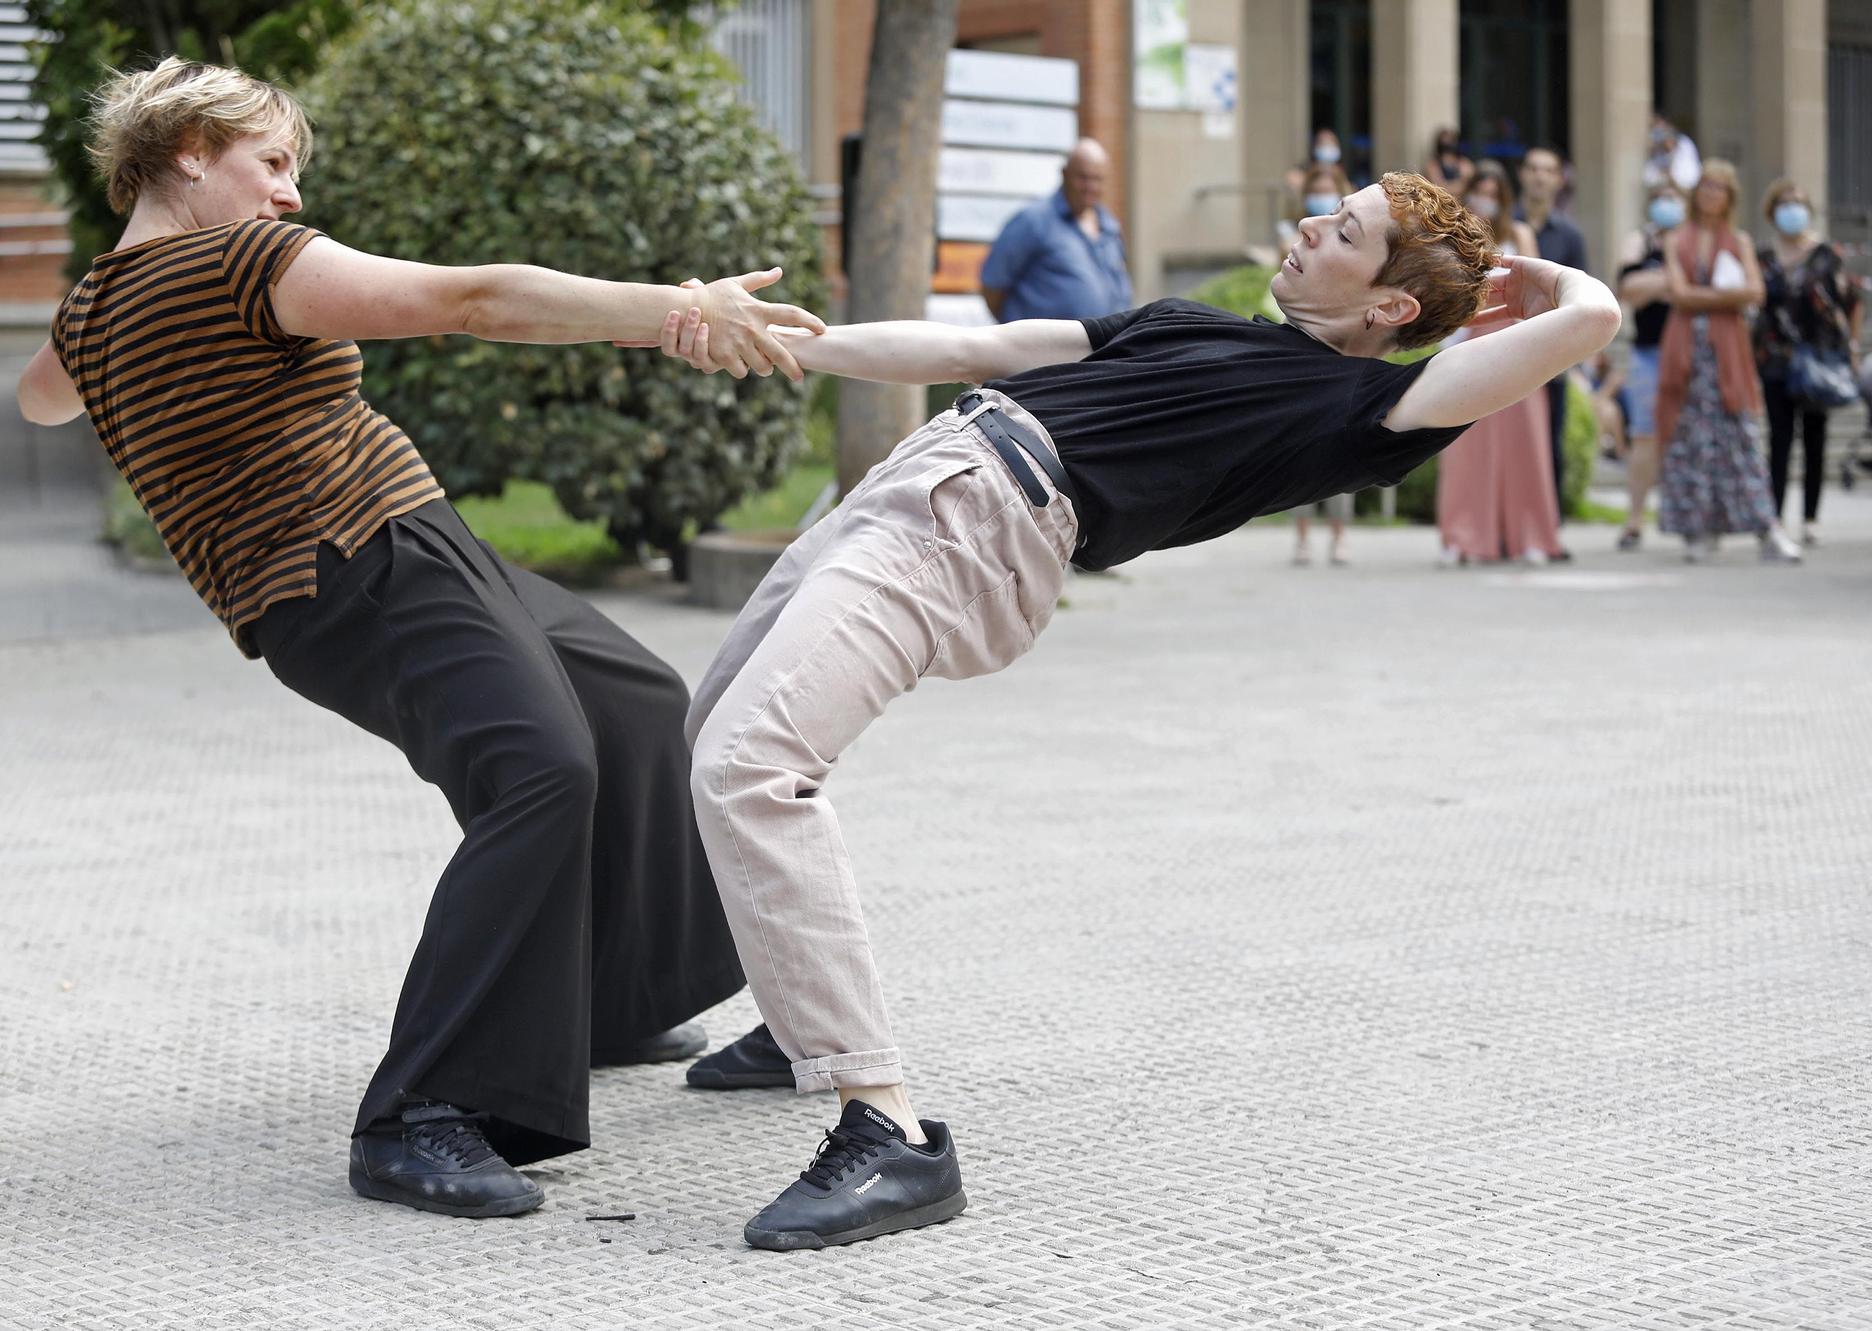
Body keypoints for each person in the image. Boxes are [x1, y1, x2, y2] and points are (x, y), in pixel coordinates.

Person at [654, 173, 1619, 1249]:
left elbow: (1589, 320)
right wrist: (785, 340)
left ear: (1389, 305)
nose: (1306, 225)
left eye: (1344, 231)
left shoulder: (1362, 410)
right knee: (713, 731)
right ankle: (804, 1016)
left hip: (975, 527)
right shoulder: (1186, 321)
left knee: (749, 764)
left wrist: (1538, 279)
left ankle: (882, 1128)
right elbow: (981, 347)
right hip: (915, 475)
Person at [14, 58, 825, 1219]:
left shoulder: (92, 305)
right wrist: (679, 310)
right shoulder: (244, 259)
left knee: (636, 701)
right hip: (354, 555)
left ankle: (610, 997)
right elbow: (472, 298)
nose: (290, 194)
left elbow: (41, 395)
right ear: (187, 149)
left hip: (390, 546)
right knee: (538, 771)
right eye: (273, 161)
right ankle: (420, 1111)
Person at [1654, 160, 1802, 563]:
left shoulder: (1739, 241)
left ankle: (1766, 529)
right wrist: (1723, 297)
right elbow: (1679, 294)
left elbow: (1754, 291)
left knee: (1741, 440)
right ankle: (1697, 528)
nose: (1711, 194)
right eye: (1705, 185)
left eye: (1719, 187)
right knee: (1690, 439)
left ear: (1730, 196)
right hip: (1687, 351)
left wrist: (1702, 296)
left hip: (1727, 353)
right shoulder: (1677, 239)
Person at [1435, 161, 1562, 565]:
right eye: (1479, 190)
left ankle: (1529, 536)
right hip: (1471, 343)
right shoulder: (1454, 240)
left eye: (1493, 192)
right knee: (1467, 443)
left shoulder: (1520, 234)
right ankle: (1465, 536)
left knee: (1525, 443)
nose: (1485, 199)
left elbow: (1544, 291)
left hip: (1520, 343)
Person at [1753, 178, 1864, 546]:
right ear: (1772, 212)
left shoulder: (1826, 254)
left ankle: (1811, 517)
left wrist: (1851, 347)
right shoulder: (1763, 256)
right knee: (1780, 440)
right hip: (1774, 358)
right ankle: (1775, 519)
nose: (1792, 210)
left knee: (1815, 438)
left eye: (1799, 203)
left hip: (1819, 356)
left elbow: (1850, 301)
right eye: (1785, 204)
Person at [979, 138, 1131, 323]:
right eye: (1083, 178)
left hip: (1105, 349)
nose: (1090, 187)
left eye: (1097, 179)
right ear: (1065, 174)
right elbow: (993, 285)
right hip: (1041, 349)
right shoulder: (1033, 221)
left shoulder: (1110, 227)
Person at [1517, 144, 1589, 529]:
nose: (1540, 176)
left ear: (1559, 180)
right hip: (1506, 346)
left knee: (1550, 440)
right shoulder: (1501, 223)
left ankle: (1549, 528)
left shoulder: (1570, 236)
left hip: (1551, 351)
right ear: (1523, 175)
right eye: (1533, 168)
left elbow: (1583, 295)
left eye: (1548, 170)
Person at [1613, 178, 1687, 549]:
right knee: (1645, 435)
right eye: (1660, 197)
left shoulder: (1696, 239)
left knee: (1693, 435)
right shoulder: (1638, 241)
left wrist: (1658, 284)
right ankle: (1635, 519)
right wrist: (1673, 281)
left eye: (1673, 197)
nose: (1667, 204)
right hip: (1649, 353)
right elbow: (1628, 291)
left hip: (1692, 352)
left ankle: (1690, 516)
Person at [1646, 112, 1703, 192]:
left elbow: (1689, 180)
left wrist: (1671, 178)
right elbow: (1649, 179)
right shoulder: (1654, 153)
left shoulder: (1684, 144)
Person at [1422, 126, 1474, 198]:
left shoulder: (1463, 162)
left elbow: (1468, 183)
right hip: (1440, 200)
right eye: (1444, 146)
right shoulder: (1433, 164)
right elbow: (1438, 186)